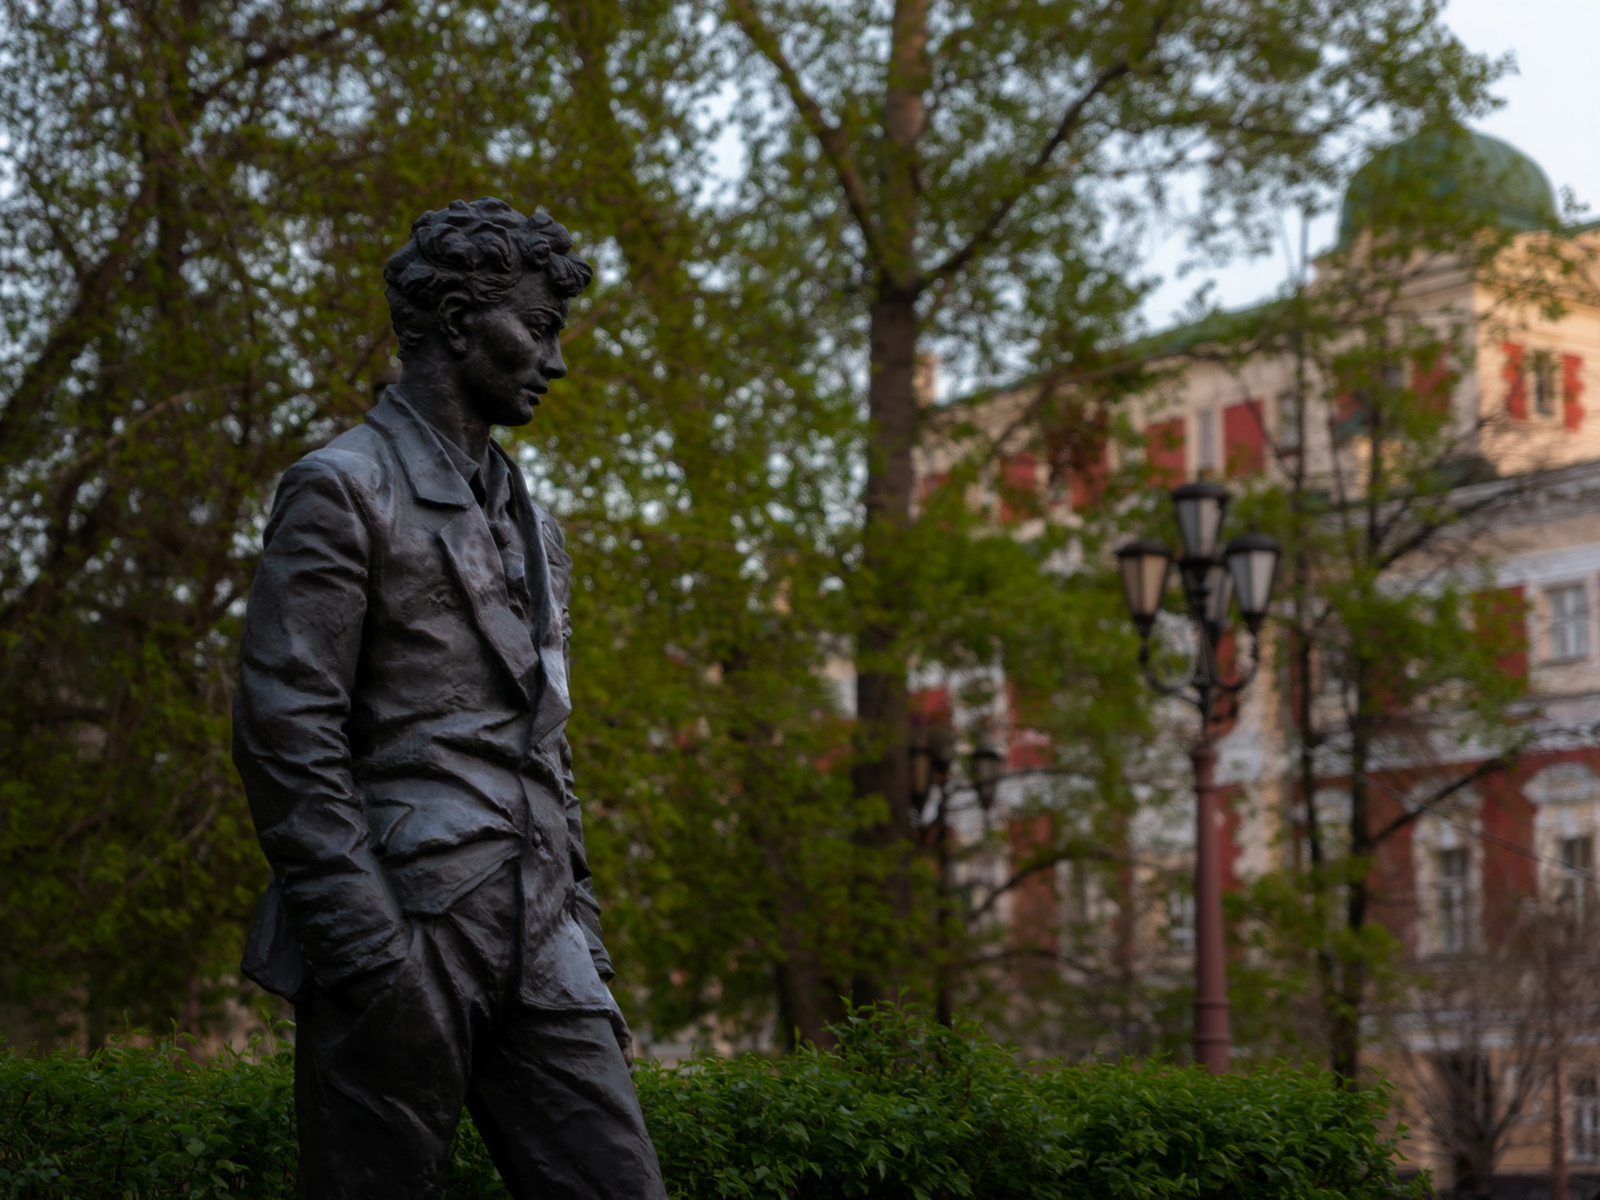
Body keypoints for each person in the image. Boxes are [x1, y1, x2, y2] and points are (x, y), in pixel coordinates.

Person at [234, 198, 666, 1200]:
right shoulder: (343, 487)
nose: (555, 361)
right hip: (400, 917)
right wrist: (366, 948)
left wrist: (586, 949)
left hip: (541, 929)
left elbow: (546, 746)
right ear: (461, 321)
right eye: (539, 328)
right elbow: (285, 731)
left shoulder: (537, 529)